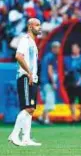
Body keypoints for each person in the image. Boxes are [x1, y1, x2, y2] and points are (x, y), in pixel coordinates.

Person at [8, 18, 42, 146]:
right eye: (37, 25)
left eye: (40, 25)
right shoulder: (25, 40)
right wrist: (29, 72)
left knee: (31, 109)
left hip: (31, 78)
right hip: (25, 77)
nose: (40, 27)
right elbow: (18, 56)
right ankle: (14, 135)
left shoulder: (32, 42)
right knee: (28, 108)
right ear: (30, 27)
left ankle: (26, 138)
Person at [64, 43, 81, 122]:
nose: (73, 49)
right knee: (72, 100)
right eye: (72, 48)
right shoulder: (67, 59)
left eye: (75, 48)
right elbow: (67, 69)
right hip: (71, 83)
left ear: (79, 49)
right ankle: (74, 117)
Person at [39, 41, 61, 125]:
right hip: (48, 82)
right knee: (50, 102)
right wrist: (53, 82)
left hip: (43, 82)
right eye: (58, 48)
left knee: (47, 101)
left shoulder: (46, 56)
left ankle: (42, 118)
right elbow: (50, 70)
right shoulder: (51, 57)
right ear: (54, 48)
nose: (59, 50)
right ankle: (45, 119)